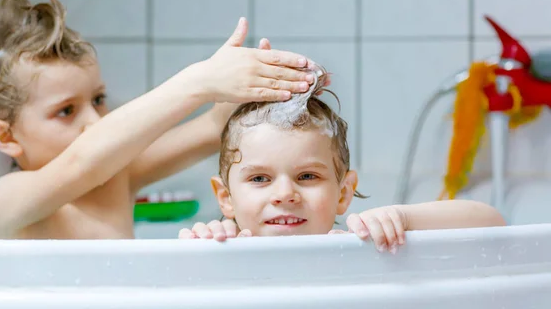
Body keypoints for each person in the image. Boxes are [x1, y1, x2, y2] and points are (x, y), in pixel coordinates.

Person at [0, 0, 318, 239]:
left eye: (98, 99)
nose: (94, 120)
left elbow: (213, 130)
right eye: (66, 111)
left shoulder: (119, 177)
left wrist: (268, 87)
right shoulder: (4, 200)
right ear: (5, 135)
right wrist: (199, 81)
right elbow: (82, 164)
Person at [178, 65, 506, 253]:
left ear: (344, 192)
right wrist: (204, 250)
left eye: (307, 176)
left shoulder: (358, 246)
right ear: (225, 197)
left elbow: (492, 223)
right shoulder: (225, 251)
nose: (284, 194)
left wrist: (402, 218)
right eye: (259, 179)